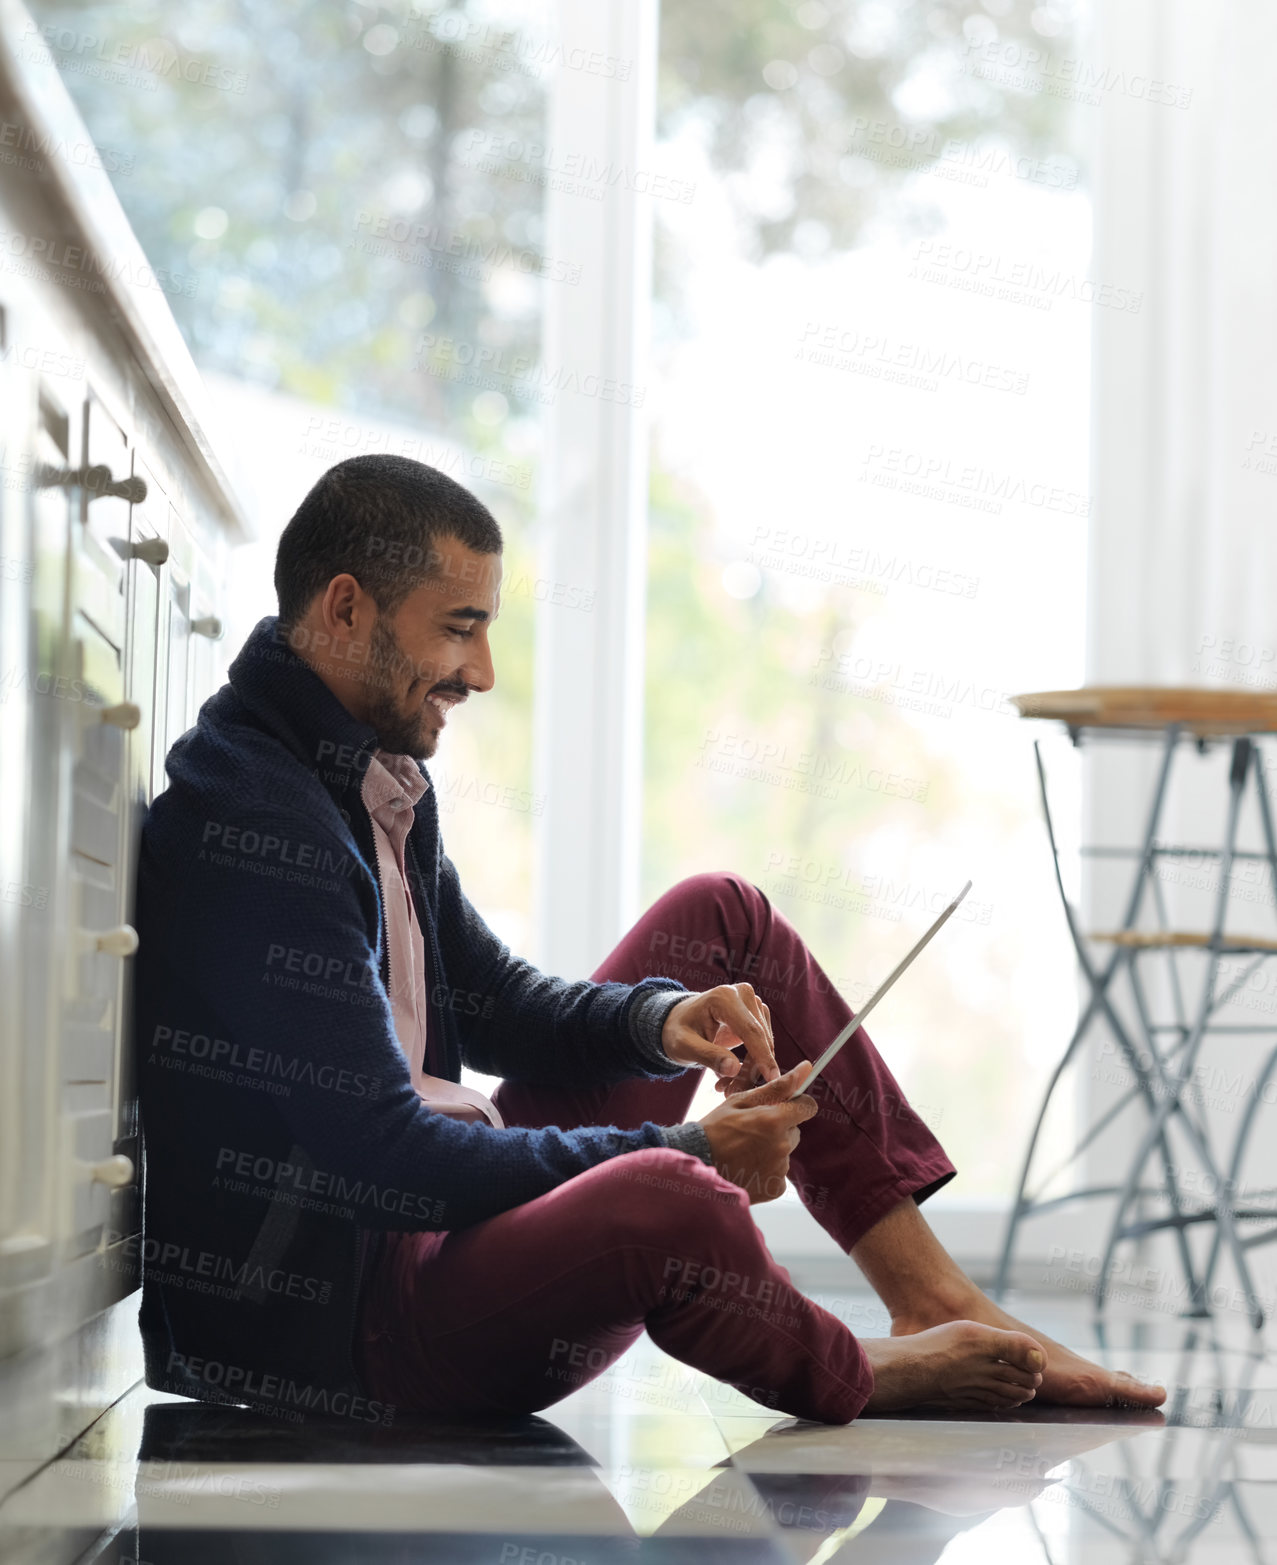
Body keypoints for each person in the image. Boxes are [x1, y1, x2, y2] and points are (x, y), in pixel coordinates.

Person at [133, 454, 1165, 1425]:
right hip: (351, 1335)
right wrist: (690, 1147)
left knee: (721, 917)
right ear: (347, 607)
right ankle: (858, 1369)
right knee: (668, 1196)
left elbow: (493, 1002)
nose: (482, 672)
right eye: (459, 628)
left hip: (437, 1233)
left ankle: (928, 1290)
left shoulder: (364, 767)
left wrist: (660, 1020)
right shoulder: (256, 823)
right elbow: (383, 1157)